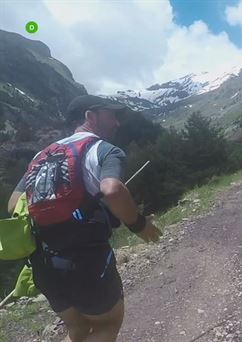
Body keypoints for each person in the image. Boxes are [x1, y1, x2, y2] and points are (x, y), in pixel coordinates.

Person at [7, 95, 162, 342]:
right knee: (107, 325)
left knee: (78, 330)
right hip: (87, 262)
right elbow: (112, 189)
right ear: (90, 116)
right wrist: (138, 225)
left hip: (43, 265)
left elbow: (14, 203)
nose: (117, 123)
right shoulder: (103, 149)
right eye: (111, 115)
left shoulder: (40, 156)